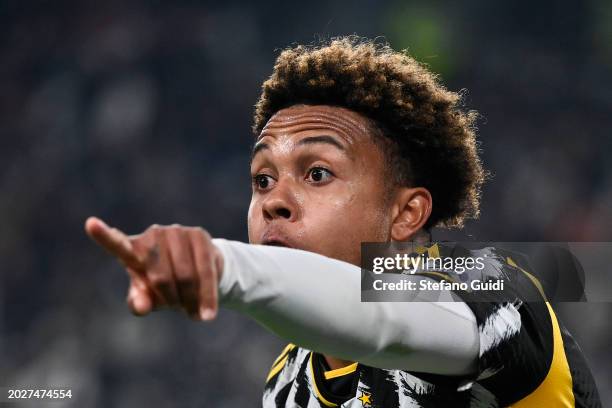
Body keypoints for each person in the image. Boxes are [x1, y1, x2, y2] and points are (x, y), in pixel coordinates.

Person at [85, 37, 600, 407]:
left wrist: (227, 267)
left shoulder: (500, 291)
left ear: (406, 214)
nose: (274, 201)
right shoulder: (287, 383)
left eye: (316, 173)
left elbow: (388, 322)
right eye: (262, 179)